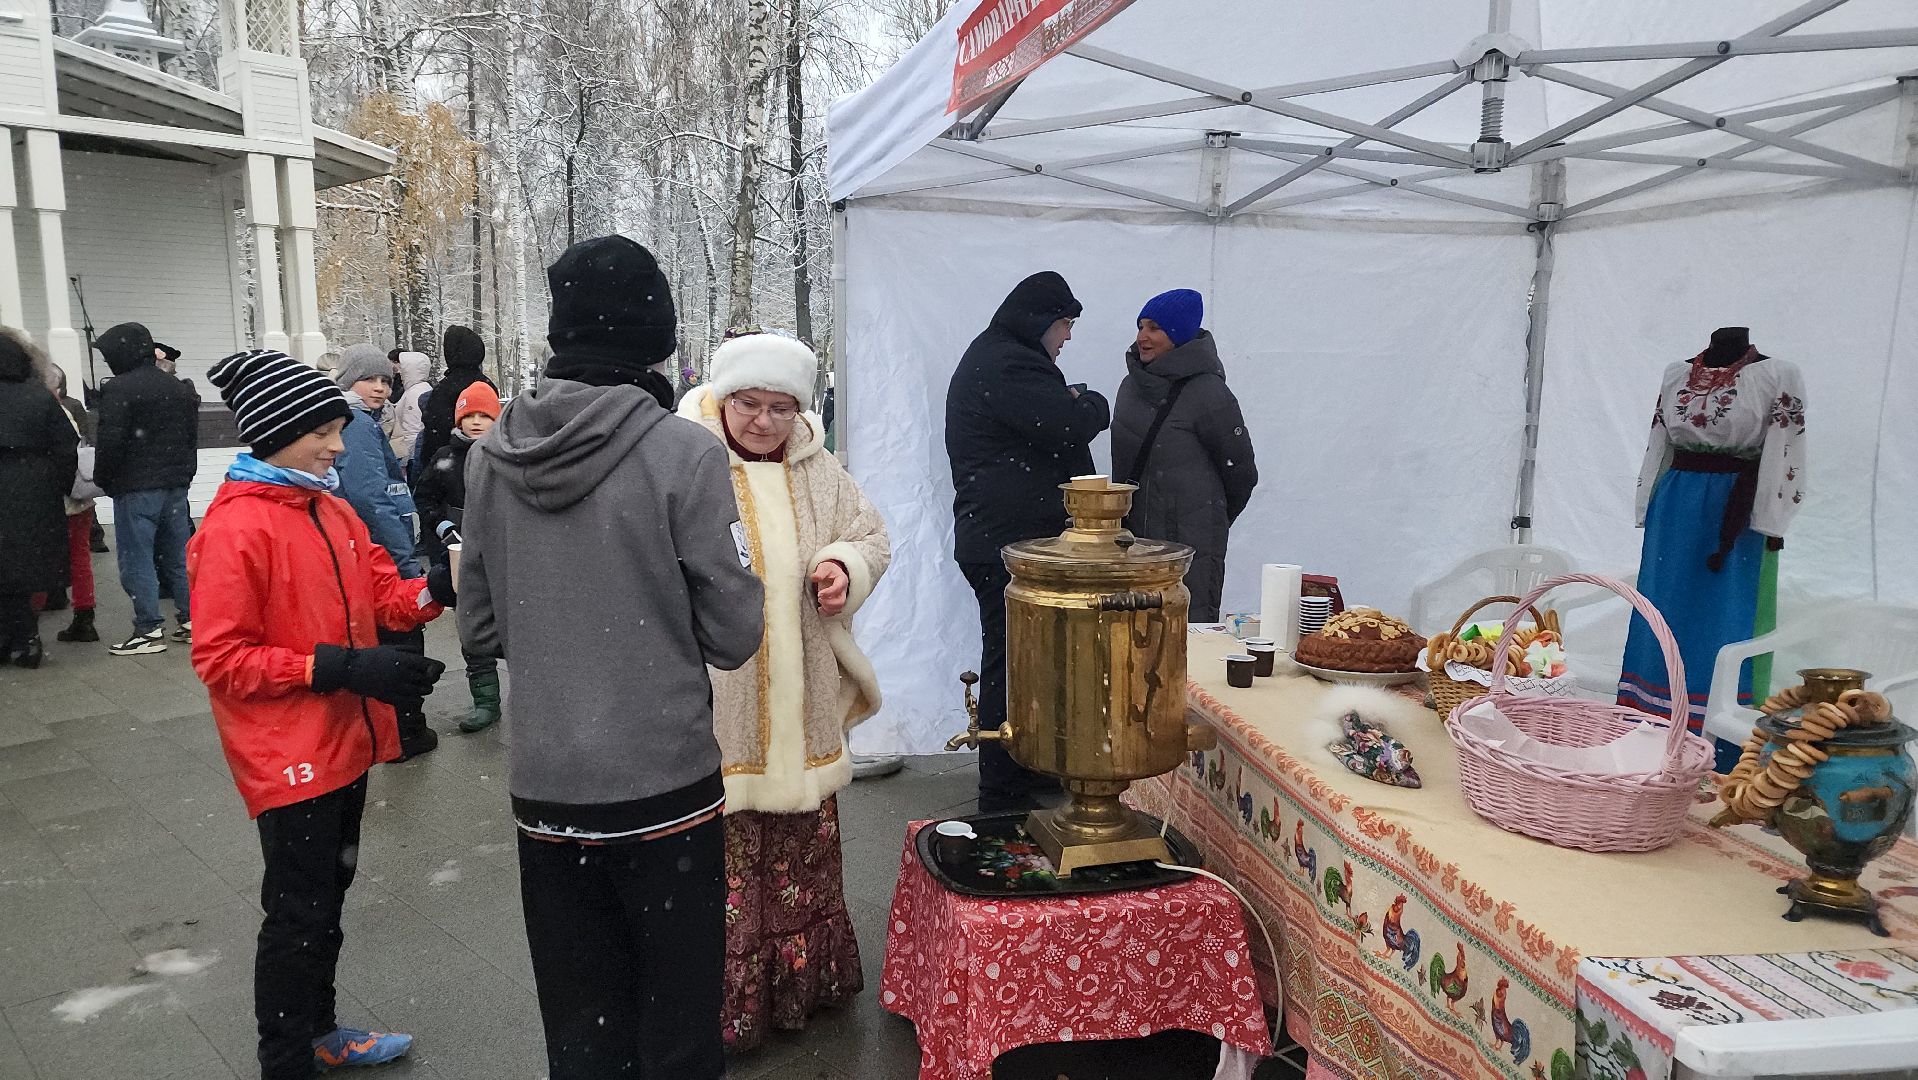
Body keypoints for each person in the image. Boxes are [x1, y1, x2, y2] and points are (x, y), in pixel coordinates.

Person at [460, 234, 763, 1080]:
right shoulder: (684, 452)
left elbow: (478, 627)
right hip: (662, 778)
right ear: (656, 338)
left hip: (547, 780)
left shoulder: (489, 456)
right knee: (679, 1019)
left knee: (581, 1020)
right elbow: (735, 630)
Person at [190, 348, 451, 1080]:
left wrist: (440, 587)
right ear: (276, 434)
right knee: (297, 912)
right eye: (322, 432)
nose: (339, 445)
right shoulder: (236, 528)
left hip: (343, 741)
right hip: (286, 755)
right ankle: (285, 1059)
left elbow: (384, 595)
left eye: (338, 429)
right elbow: (221, 658)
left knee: (327, 898)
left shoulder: (330, 508)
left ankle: (322, 1032)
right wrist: (340, 667)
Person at [676, 332, 888, 1052]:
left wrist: (843, 565)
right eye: (748, 404)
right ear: (721, 397)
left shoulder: (819, 468)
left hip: (804, 690)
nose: (764, 421)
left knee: (803, 854)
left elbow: (871, 535)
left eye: (780, 407)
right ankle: (729, 1007)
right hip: (721, 691)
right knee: (727, 859)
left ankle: (804, 987)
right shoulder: (688, 461)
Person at [945, 271, 1109, 813]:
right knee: (1013, 661)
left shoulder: (1000, 357)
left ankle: (1024, 766)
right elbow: (1066, 424)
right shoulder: (1008, 363)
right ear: (1040, 321)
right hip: (1006, 546)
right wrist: (1092, 402)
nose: (1068, 336)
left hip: (1004, 541)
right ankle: (1001, 790)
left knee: (1029, 660)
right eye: (1065, 324)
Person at [1620, 326, 1806, 770]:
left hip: (1735, 511)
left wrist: (1771, 518)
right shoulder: (1676, 373)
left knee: (1724, 618)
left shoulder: (1777, 375)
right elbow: (1660, 441)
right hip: (1676, 505)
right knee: (1661, 611)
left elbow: (1787, 446)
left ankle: (1716, 740)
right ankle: (1649, 728)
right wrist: (1647, 503)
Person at [1109, 289, 1258, 622]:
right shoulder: (1129, 388)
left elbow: (1241, 472)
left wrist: (1205, 519)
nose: (1143, 337)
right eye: (1141, 326)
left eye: (1155, 328)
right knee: (1132, 638)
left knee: (1186, 638)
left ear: (1178, 335)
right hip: (1133, 546)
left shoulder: (1208, 392)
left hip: (1190, 551)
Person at [332, 345, 438, 761]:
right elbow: (372, 498)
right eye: (368, 379)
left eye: (385, 380)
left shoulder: (358, 420)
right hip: (382, 553)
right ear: (348, 381)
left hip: (366, 550)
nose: (379, 388)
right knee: (401, 634)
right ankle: (405, 730)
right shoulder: (357, 423)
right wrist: (405, 561)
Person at [91, 322, 197, 655]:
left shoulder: (118, 389)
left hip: (135, 487)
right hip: (175, 486)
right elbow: (190, 438)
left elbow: (110, 442)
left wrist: (104, 479)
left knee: (137, 559)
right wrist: (185, 475)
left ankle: (149, 629)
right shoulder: (178, 387)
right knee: (178, 557)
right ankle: (192, 620)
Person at [412, 380, 503, 732]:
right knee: (471, 625)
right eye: (469, 415)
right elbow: (424, 498)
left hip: (503, 554)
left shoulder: (507, 455)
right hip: (459, 556)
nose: (476, 422)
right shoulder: (444, 458)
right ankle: (486, 701)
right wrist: (443, 526)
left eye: (484, 415)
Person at [0, 332, 78, 667]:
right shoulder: (38, 396)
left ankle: (7, 639)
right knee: (23, 567)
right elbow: (66, 445)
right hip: (33, 489)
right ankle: (27, 638)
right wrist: (56, 483)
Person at [41, 362, 101, 642]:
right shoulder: (69, 411)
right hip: (78, 497)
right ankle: (84, 614)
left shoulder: (41, 414)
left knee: (40, 555)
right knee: (80, 557)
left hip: (56, 497)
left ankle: (32, 617)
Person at [416, 324, 490, 472]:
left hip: (449, 467)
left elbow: (434, 433)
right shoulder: (487, 385)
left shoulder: (444, 389)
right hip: (486, 463)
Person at [388, 349, 432, 465]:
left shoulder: (415, 393)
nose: (399, 372)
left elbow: (412, 429)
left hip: (412, 455)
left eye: (402, 369)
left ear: (410, 370)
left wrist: (405, 461)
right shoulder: (420, 388)